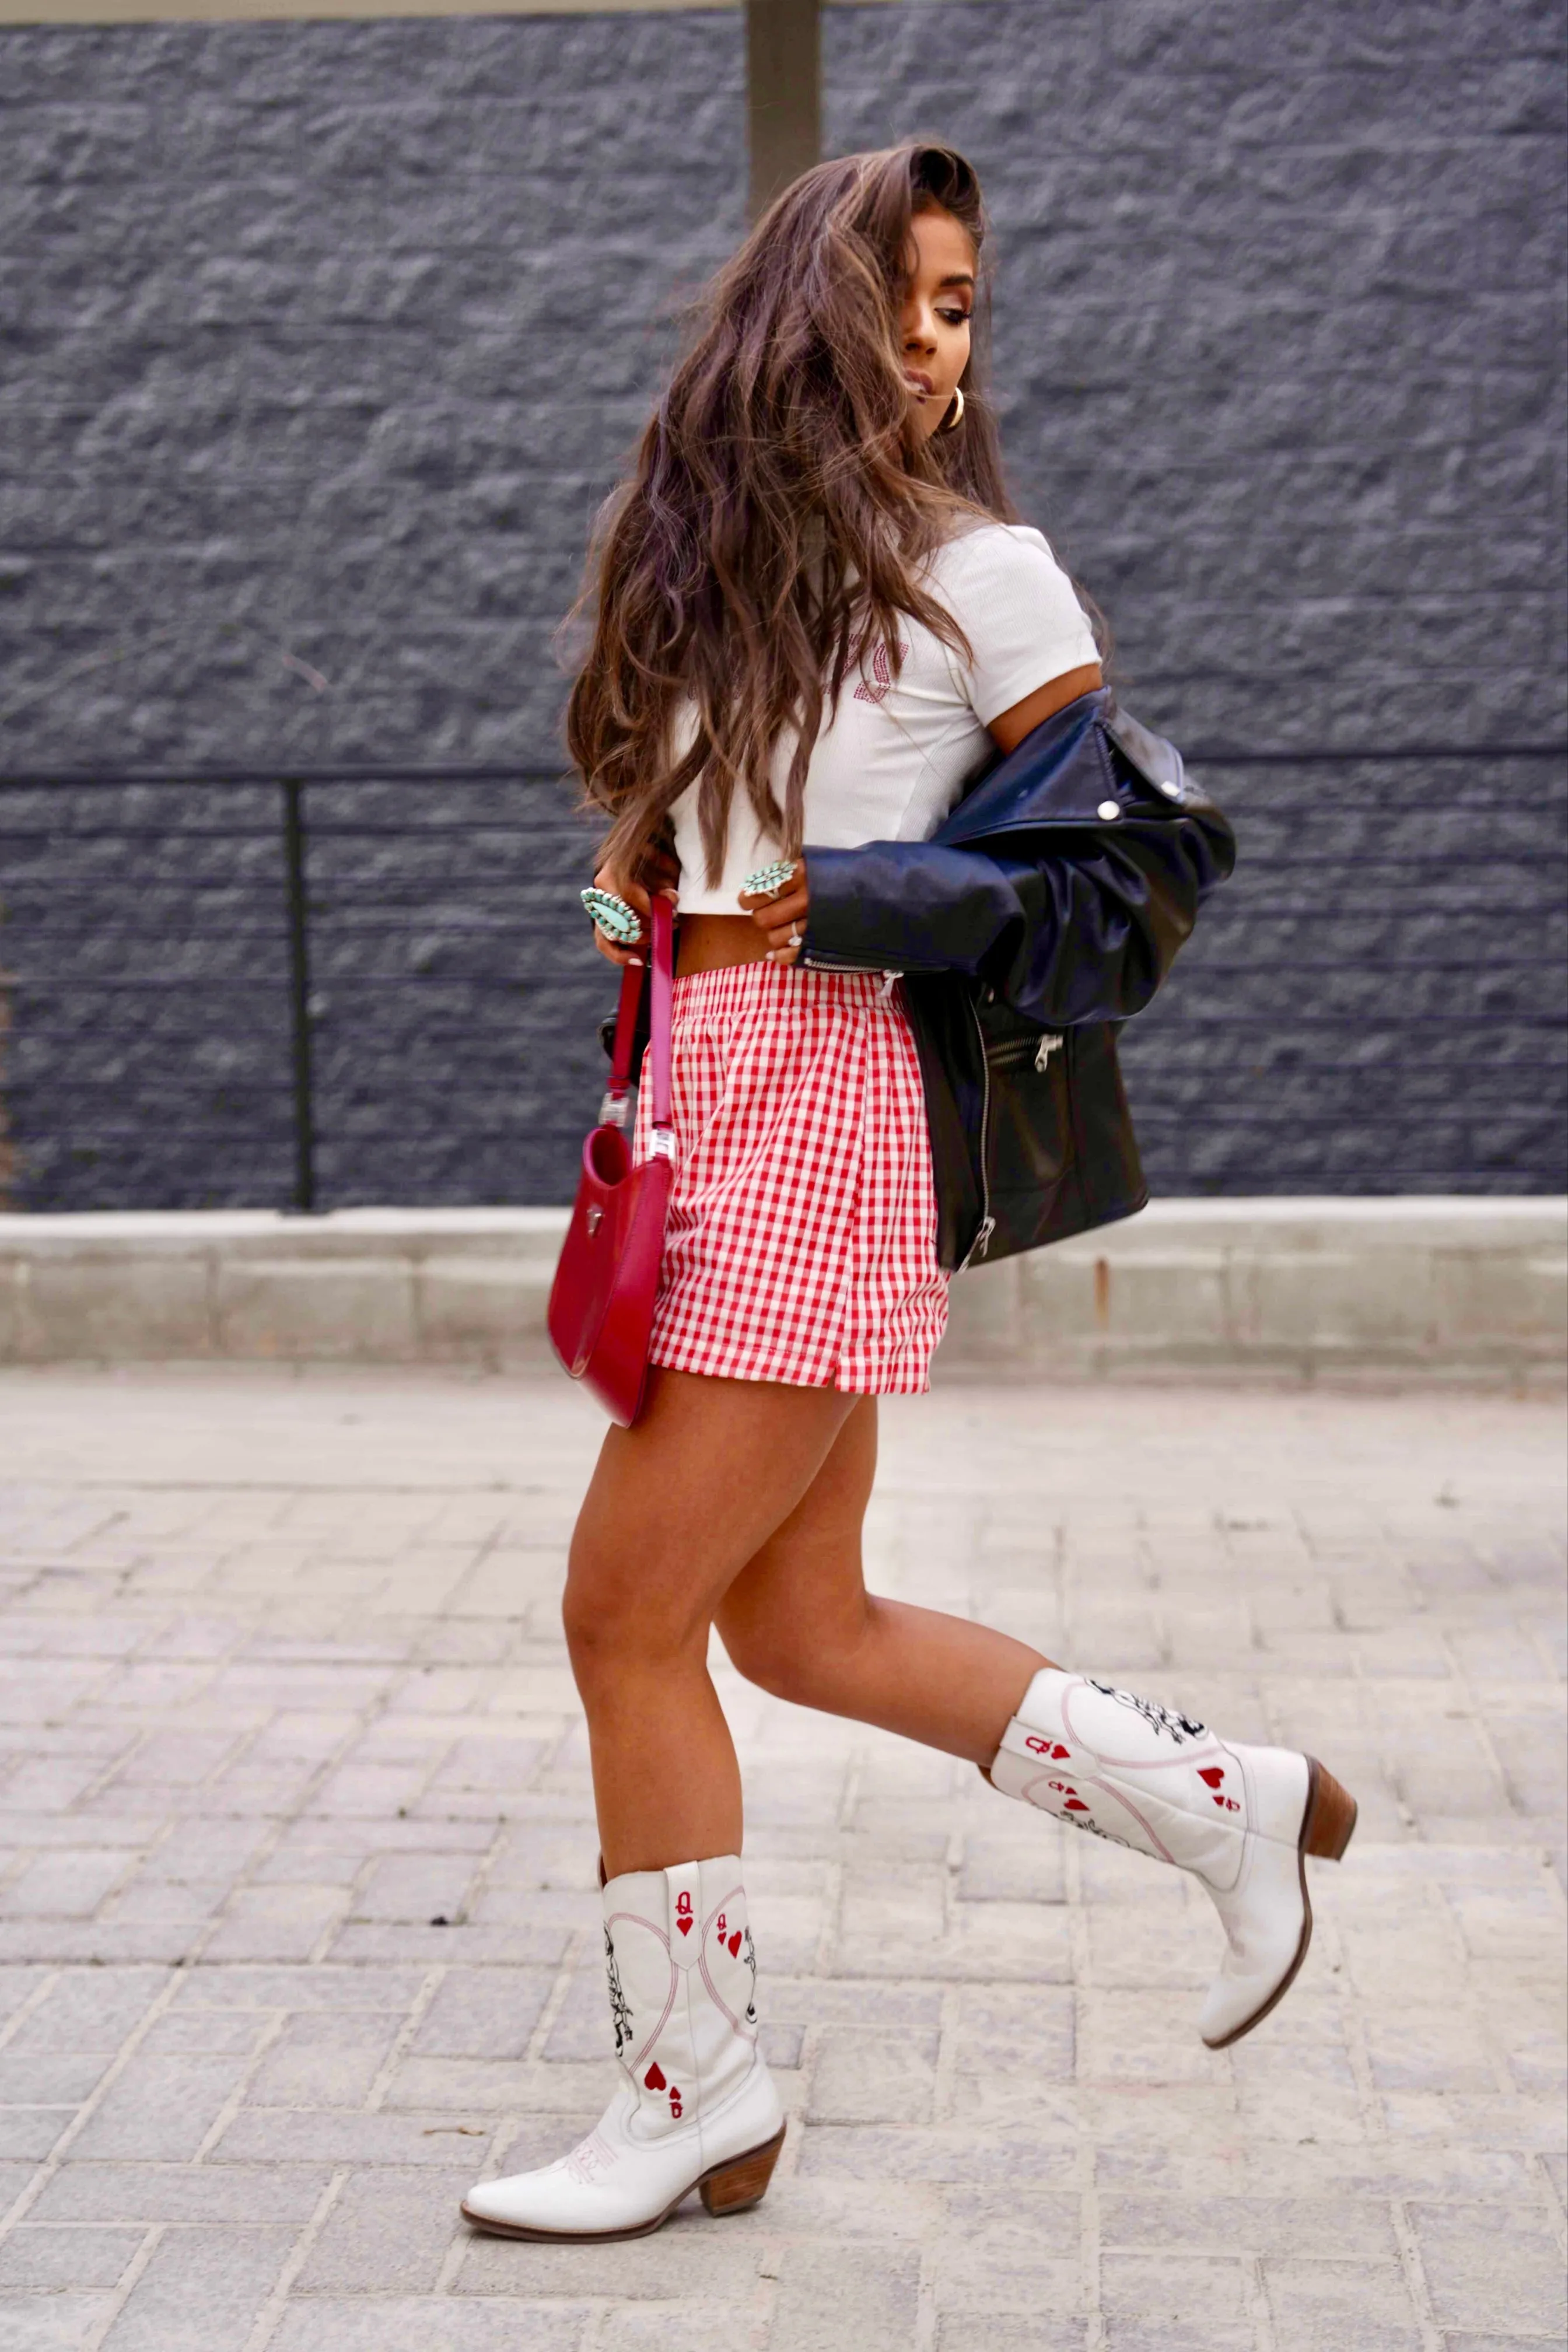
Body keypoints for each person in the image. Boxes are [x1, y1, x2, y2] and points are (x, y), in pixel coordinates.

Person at [461, 142, 1357, 2246]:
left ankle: (694, 2091)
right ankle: (1224, 1807)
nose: (947, 346)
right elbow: (732, 832)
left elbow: (1133, 873)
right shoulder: (736, 563)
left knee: (622, 1611)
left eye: (968, 307)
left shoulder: (991, 572)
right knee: (801, 1622)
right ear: (813, 314)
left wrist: (825, 906)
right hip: (707, 1099)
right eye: (916, 299)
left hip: (829, 1114)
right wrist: (657, 884)